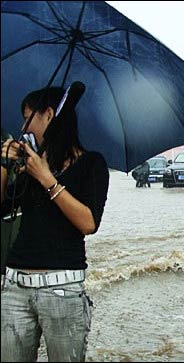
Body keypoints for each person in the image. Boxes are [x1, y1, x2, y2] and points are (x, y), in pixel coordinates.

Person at [1, 86, 109, 362]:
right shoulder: (29, 166)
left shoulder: (91, 163)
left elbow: (88, 223)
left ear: (48, 114)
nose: (23, 128)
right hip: (15, 287)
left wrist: (47, 179)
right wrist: (3, 164)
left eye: (27, 118)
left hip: (62, 289)